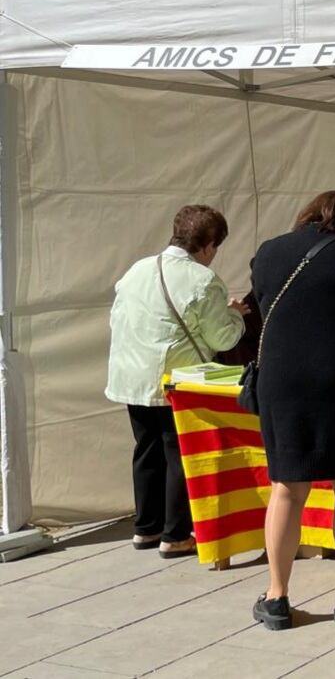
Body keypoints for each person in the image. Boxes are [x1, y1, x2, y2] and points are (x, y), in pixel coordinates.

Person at [249, 191, 335, 631]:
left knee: (287, 489)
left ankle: (276, 597)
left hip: (280, 381)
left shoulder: (269, 251)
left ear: (308, 214)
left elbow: (261, 306)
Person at [107, 205, 246, 558]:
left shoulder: (136, 270)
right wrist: (236, 316)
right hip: (175, 380)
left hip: (131, 376)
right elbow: (223, 339)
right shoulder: (203, 281)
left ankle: (146, 528)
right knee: (178, 454)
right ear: (208, 244)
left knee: (146, 450)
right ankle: (175, 534)